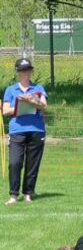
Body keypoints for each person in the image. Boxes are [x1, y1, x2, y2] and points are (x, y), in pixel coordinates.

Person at [3, 57, 47, 204]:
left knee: (32, 163)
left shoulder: (38, 88)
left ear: (31, 71)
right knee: (14, 163)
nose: (25, 73)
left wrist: (32, 100)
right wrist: (19, 104)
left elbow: (43, 105)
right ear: (17, 72)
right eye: (22, 70)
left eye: (27, 70)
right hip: (17, 130)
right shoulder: (10, 89)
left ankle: (28, 193)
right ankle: (13, 195)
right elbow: (5, 111)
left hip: (36, 129)